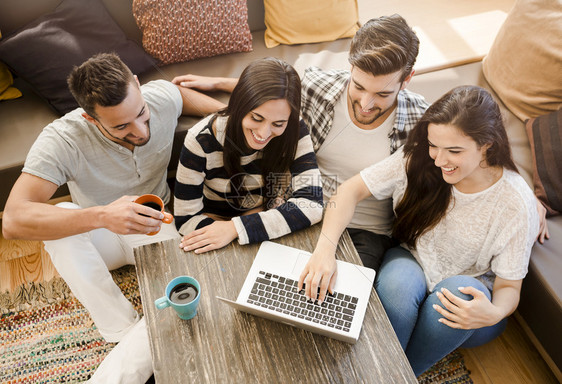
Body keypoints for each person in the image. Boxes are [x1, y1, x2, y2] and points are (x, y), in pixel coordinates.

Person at [1, 53, 225, 383]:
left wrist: (226, 116)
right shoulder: (63, 138)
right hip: (98, 235)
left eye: (141, 114)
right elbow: (13, 220)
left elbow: (181, 95)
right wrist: (104, 216)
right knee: (61, 215)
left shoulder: (157, 97)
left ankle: (128, 351)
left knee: (190, 287)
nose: (139, 130)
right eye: (121, 126)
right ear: (91, 119)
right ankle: (122, 329)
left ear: (137, 84)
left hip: (155, 227)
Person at [298, 85, 539, 376]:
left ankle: (392, 375)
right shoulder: (418, 158)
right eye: (434, 145)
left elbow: (509, 288)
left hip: (470, 304)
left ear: (487, 144)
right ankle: (379, 373)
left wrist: (496, 311)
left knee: (455, 295)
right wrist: (324, 251)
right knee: (397, 290)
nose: (438, 159)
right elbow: (349, 191)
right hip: (412, 261)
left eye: (454, 151)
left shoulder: (515, 203)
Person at [173, 14, 429, 271]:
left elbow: (309, 204)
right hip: (289, 219)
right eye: (359, 87)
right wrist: (217, 83)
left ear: (406, 80)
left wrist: (238, 227)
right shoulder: (319, 88)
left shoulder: (421, 121)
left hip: (359, 230)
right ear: (350, 68)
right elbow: (272, 89)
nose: (365, 104)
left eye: (382, 94)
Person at [174, 57, 323, 253]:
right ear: (239, 105)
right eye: (256, 118)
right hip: (217, 222)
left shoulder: (294, 128)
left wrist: (235, 228)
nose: (263, 134)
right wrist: (230, 229)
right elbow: (186, 221)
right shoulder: (200, 140)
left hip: (260, 217)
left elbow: (312, 204)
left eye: (278, 124)